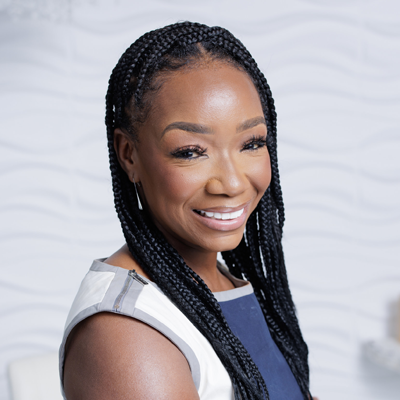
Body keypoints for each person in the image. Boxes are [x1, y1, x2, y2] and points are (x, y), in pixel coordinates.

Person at [59, 21, 312, 400]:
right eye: (191, 151)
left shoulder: (219, 281)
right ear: (129, 154)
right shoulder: (126, 332)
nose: (231, 183)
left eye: (252, 143)